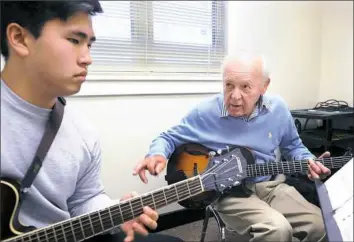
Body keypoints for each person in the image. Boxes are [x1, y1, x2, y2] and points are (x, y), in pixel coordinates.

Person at [0, 1, 183, 242]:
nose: (87, 59)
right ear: (19, 38)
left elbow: (84, 200)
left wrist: (116, 213)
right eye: (75, 41)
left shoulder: (82, 132)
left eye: (89, 44)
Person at [133, 52, 332, 242]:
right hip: (227, 191)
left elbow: (294, 146)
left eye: (246, 87)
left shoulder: (278, 109)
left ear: (264, 86)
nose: (235, 96)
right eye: (229, 85)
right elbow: (168, 138)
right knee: (277, 230)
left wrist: (308, 161)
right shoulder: (206, 112)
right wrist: (156, 154)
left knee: (322, 226)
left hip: (270, 185)